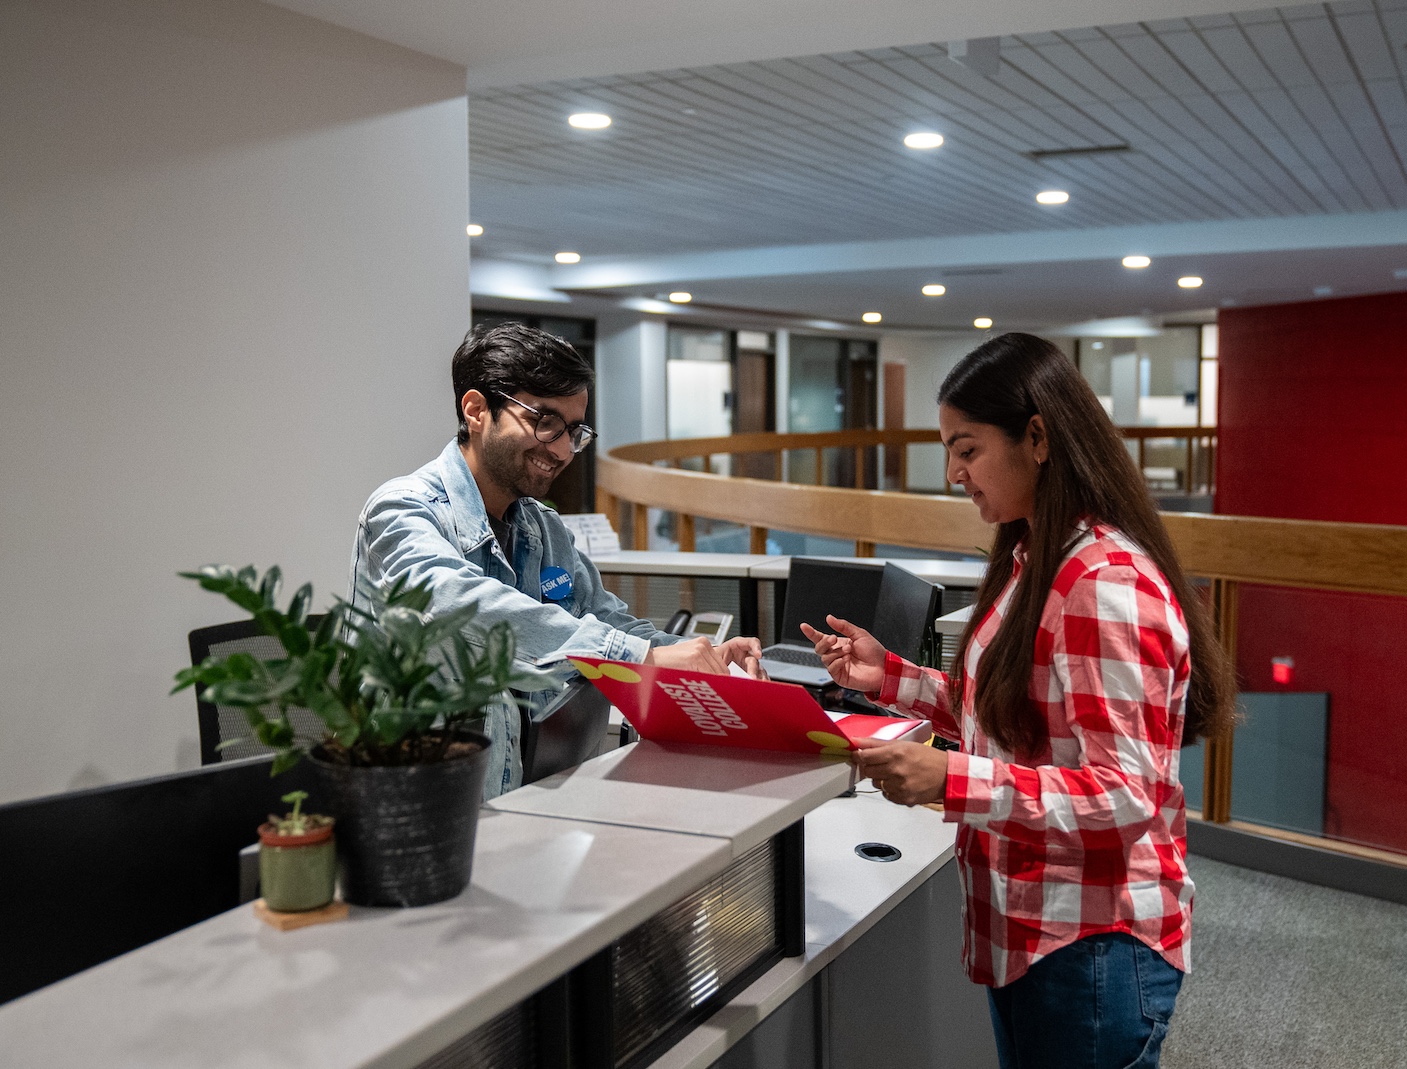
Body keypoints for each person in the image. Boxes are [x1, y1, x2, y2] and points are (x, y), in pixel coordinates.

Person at [800, 332, 1233, 1069]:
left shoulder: (1103, 583)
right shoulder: (1037, 556)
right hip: (1034, 934)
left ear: (1036, 436)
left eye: (966, 449)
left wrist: (950, 779)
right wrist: (891, 677)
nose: (953, 473)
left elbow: (1125, 796)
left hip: (1091, 944)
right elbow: (1014, 718)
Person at [352, 321, 762, 797]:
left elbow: (606, 618)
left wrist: (699, 657)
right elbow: (459, 604)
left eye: (574, 430)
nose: (565, 450)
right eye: (544, 422)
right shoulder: (401, 508)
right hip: (420, 811)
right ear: (477, 409)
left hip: (533, 803)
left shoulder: (542, 527)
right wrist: (642, 656)